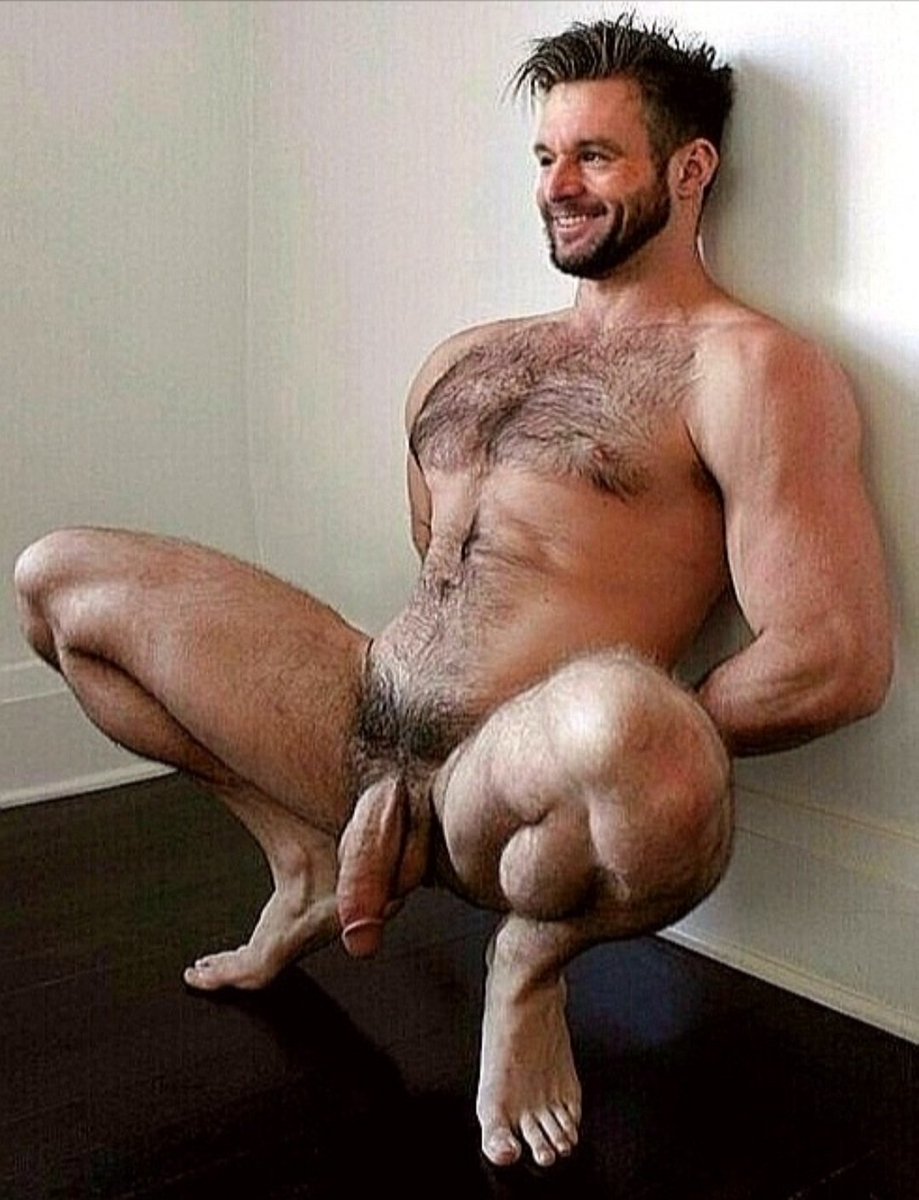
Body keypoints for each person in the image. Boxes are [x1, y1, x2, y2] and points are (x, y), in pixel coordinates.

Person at [13, 12, 893, 1172]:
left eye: (594, 156)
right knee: (57, 578)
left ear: (689, 170)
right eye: (545, 156)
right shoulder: (471, 358)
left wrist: (604, 752)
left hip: (506, 792)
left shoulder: (747, 367)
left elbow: (833, 656)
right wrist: (391, 751)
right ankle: (305, 857)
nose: (557, 187)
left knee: (646, 728)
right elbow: (441, 572)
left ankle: (525, 968)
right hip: (364, 712)